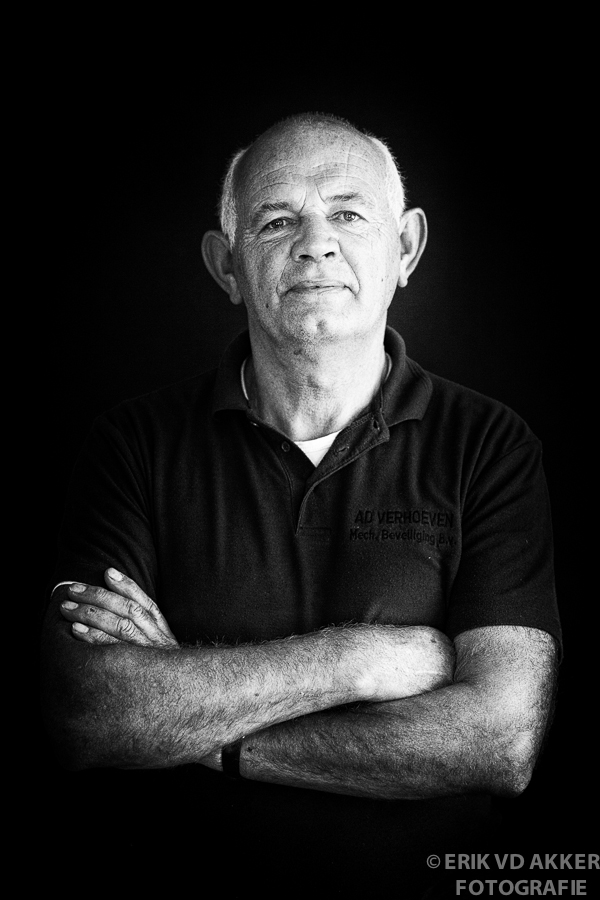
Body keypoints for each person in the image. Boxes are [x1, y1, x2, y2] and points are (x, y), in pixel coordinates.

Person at [41, 112, 561, 895]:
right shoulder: (134, 444)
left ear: (406, 248)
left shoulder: (490, 446)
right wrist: (365, 661)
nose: (316, 244)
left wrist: (200, 731)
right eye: (277, 221)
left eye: (348, 214)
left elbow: (498, 741)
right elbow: (86, 713)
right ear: (226, 265)